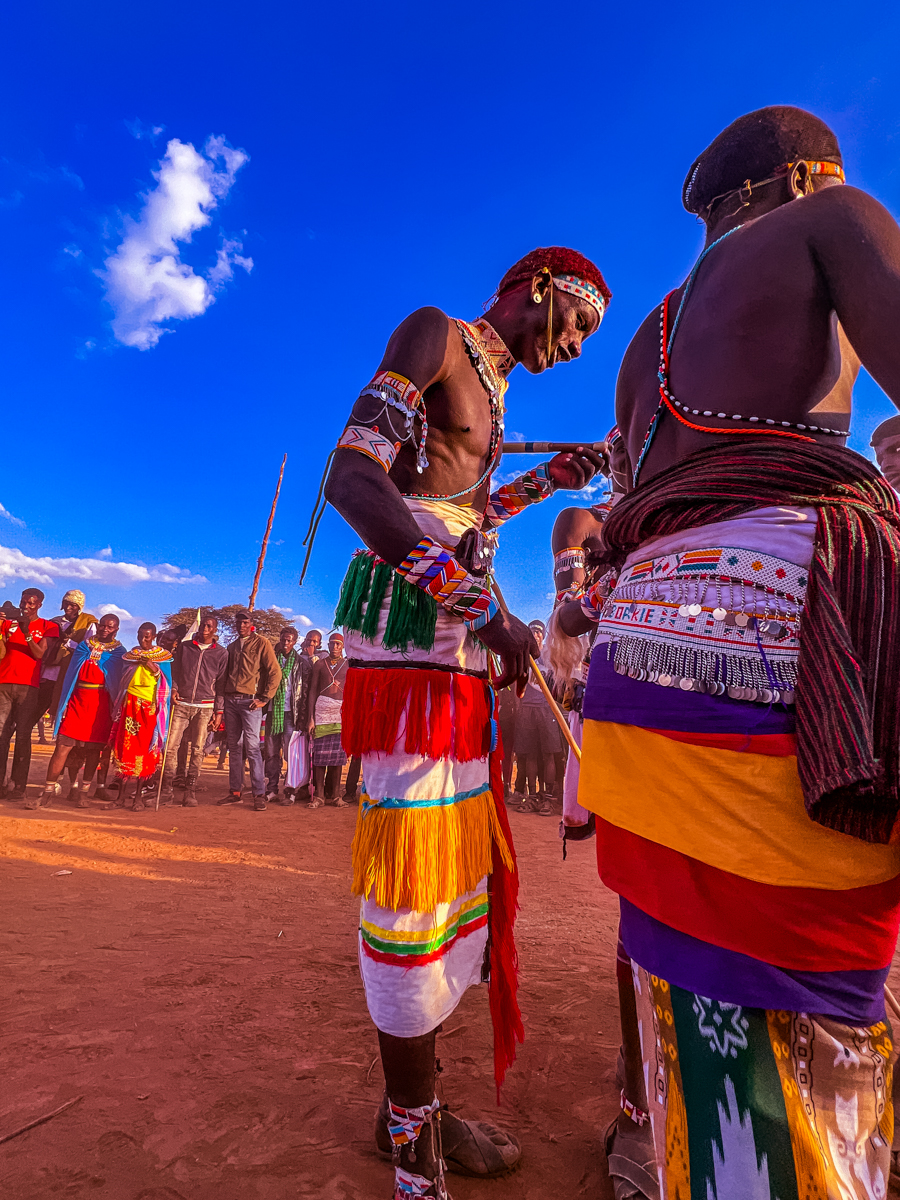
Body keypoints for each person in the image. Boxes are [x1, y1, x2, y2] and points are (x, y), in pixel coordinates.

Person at [560, 106, 900, 1200]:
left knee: (693, 963)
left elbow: (623, 519)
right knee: (813, 991)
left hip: (644, 672)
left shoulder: (644, 339)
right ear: (805, 173)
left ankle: (711, 1164)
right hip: (782, 645)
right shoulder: (834, 219)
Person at [324, 245, 608, 1198]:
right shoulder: (437, 334)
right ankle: (413, 1148)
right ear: (537, 288)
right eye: (573, 324)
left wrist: (558, 476)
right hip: (415, 643)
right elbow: (355, 481)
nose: (573, 348)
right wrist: (477, 604)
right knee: (415, 874)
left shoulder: (493, 386)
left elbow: (462, 501)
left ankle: (418, 1104)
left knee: (451, 870)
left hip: (453, 648)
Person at [39, 613, 126, 809]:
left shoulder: (119, 653)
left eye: (110, 627)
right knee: (62, 746)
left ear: (116, 629)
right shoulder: (84, 646)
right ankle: (47, 792)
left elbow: (119, 681)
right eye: (102, 625)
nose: (105, 629)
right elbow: (70, 676)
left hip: (101, 706)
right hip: (77, 701)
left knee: (94, 750)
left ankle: (82, 793)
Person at [217, 611, 281, 812]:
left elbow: (274, 672)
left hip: (250, 702)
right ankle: (235, 791)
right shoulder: (232, 646)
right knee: (234, 747)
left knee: (252, 748)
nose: (241, 625)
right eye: (238, 622)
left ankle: (258, 794)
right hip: (231, 700)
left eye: (245, 622)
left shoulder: (262, 643)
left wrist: (264, 698)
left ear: (252, 623)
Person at [161, 615, 227, 807]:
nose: (205, 628)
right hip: (181, 703)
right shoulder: (185, 647)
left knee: (198, 750)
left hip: (205, 706)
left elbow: (221, 684)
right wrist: (174, 689)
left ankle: (190, 791)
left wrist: (219, 711)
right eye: (203, 625)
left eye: (209, 626)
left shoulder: (221, 653)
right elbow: (175, 671)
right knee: (171, 747)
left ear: (215, 630)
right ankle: (166, 790)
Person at [0, 588, 59, 800]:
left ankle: (18, 787)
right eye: (23, 602)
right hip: (3, 683)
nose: (26, 606)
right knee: (1, 735)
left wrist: (26, 633)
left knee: (23, 736)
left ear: (40, 605)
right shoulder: (7, 623)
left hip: (28, 686)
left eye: (31, 603)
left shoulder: (48, 626)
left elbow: (40, 653)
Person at [110, 622, 173, 811]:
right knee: (125, 747)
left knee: (145, 751)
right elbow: (123, 678)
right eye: (140, 635)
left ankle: (138, 797)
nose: (143, 639)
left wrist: (153, 668)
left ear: (153, 636)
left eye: (147, 636)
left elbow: (166, 683)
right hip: (129, 705)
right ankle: (120, 797)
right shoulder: (130, 656)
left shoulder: (162, 657)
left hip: (149, 708)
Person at [510, 620, 561, 815]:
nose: (536, 634)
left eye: (539, 631)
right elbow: (516, 681)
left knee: (549, 754)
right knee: (529, 754)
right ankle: (531, 797)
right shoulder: (522, 656)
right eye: (533, 631)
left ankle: (546, 798)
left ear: (544, 634)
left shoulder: (550, 655)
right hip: (527, 709)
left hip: (547, 709)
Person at [36, 588, 97, 741]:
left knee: (66, 707)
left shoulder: (88, 623)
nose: (69, 608)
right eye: (66, 604)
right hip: (48, 673)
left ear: (80, 607)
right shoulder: (54, 622)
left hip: (70, 673)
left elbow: (89, 649)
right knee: (38, 706)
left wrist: (68, 642)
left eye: (73, 605)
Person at [264, 625, 311, 804]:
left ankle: (291, 791)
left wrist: (303, 718)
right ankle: (272, 789)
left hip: (292, 713)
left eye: (289, 640)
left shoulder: (302, 664)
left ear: (294, 642)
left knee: (292, 754)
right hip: (272, 713)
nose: (285, 643)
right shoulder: (270, 660)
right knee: (271, 753)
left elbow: (304, 693)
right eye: (283, 639)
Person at [306, 632, 349, 808]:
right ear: (328, 645)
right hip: (321, 714)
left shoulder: (348, 665)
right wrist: (311, 718)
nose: (335, 647)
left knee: (338, 758)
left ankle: (336, 795)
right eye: (332, 643)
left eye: (339, 644)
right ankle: (319, 796)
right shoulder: (320, 665)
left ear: (343, 646)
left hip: (340, 715)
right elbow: (312, 692)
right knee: (320, 758)